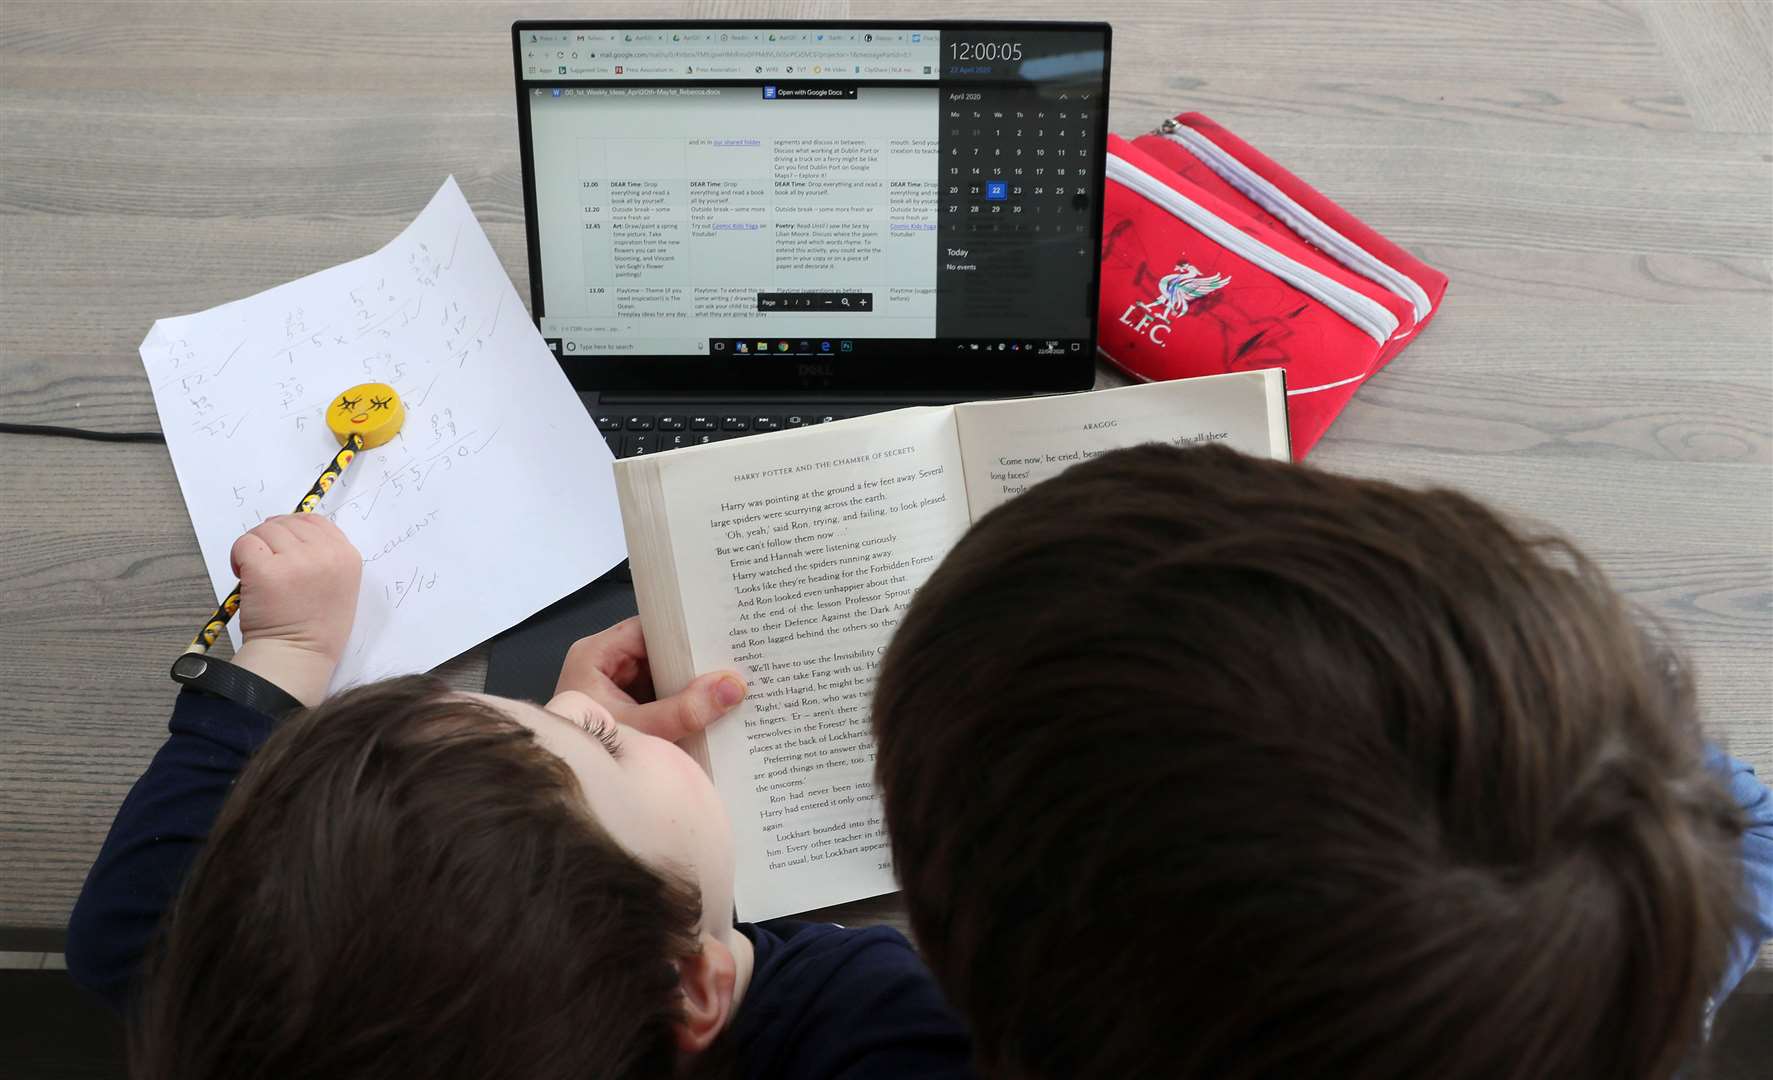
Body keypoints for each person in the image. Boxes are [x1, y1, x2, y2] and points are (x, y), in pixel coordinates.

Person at [871, 442, 1773, 1080]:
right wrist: (1580, 747)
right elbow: (1745, 830)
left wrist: (743, 943)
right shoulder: (1623, 942)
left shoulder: (864, 1027)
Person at [66, 512, 970, 1080]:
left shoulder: (244, 1014)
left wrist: (290, 647)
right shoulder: (865, 1023)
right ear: (700, 991)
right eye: (600, 739)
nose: (576, 697)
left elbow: (130, 930)